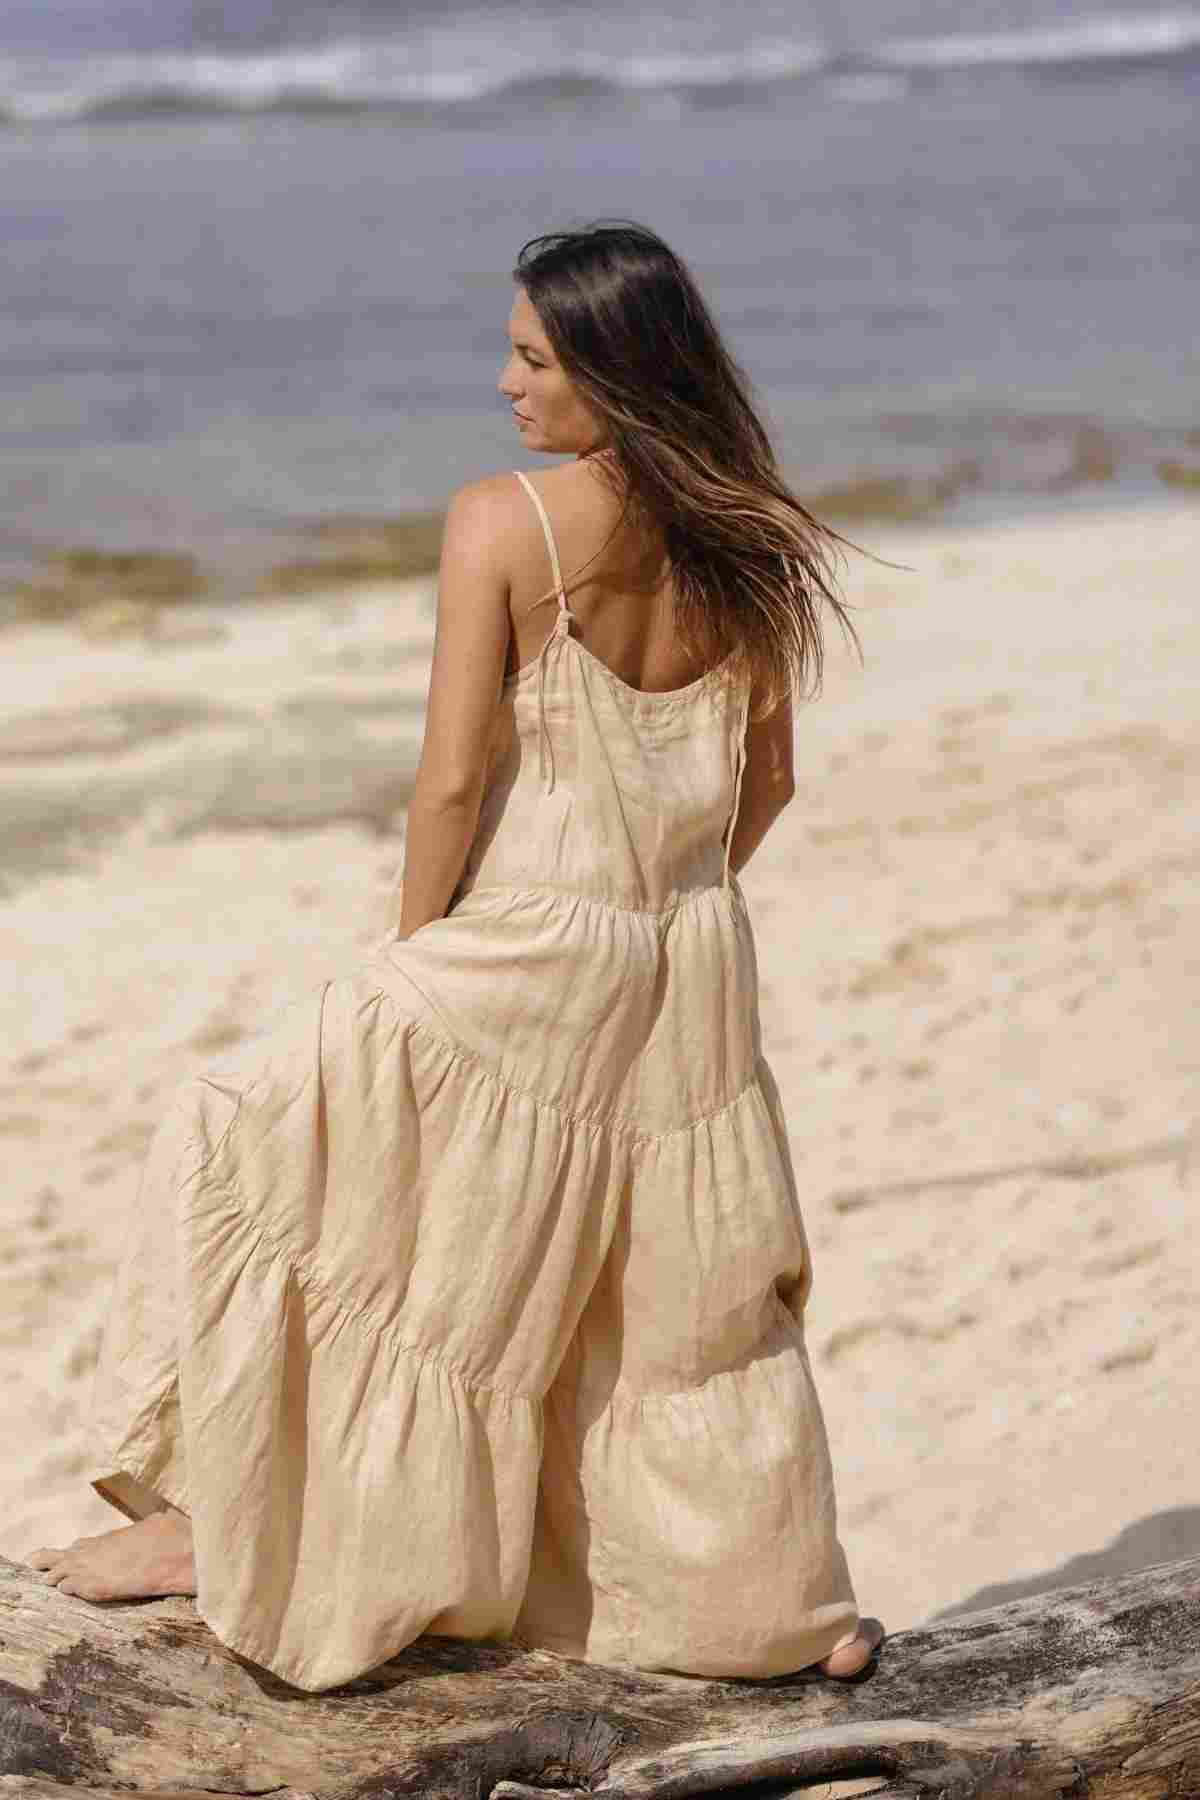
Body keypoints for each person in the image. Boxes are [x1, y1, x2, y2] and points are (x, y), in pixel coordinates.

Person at [29, 219, 884, 1692]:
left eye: (534, 358)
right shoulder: (752, 532)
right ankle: (769, 1617)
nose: (506, 384)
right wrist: (665, 911)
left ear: (614, 371)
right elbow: (774, 784)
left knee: (235, 1133)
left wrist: (420, 960)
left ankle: (220, 1523)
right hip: (687, 953)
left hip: (529, 941)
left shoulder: (508, 521)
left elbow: (447, 778)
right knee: (668, 1307)